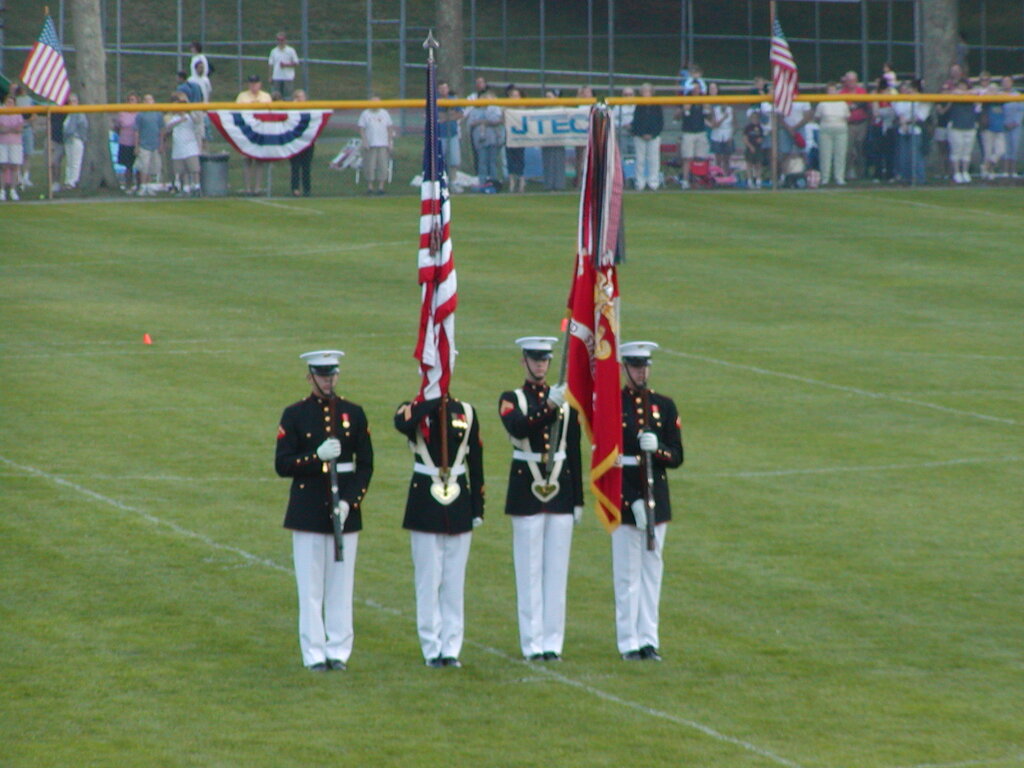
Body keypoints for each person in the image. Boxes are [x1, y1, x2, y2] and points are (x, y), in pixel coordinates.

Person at [275, 350, 374, 672]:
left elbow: (365, 465)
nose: (328, 381)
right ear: (310, 377)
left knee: (341, 588)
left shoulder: (353, 413)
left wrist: (349, 502)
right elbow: (283, 464)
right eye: (322, 375)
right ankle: (314, 653)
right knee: (311, 588)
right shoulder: (295, 414)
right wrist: (315, 457)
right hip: (308, 509)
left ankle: (339, 651)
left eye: (332, 375)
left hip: (343, 510)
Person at [498, 337, 583, 662]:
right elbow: (519, 428)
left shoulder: (564, 400)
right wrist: (549, 406)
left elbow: (573, 450)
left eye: (545, 360)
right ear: (524, 361)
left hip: (560, 490)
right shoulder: (512, 399)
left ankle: (552, 642)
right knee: (529, 570)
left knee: (557, 572)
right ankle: (532, 642)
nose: (540, 365)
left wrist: (577, 500)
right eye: (535, 359)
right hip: (526, 490)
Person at [394, 390, 484, 669]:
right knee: (428, 579)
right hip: (425, 503)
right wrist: (431, 400)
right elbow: (403, 424)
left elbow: (476, 460)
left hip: (458, 502)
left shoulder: (465, 411)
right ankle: (431, 647)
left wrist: (477, 507)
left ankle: (451, 647)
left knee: (454, 582)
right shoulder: (412, 408)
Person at [613, 341, 684, 662]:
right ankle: (628, 641)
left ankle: (648, 639)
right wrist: (630, 500)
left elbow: (676, 456)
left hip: (657, 496)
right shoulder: (613, 405)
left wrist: (658, 449)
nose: (641, 372)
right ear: (625, 368)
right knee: (628, 574)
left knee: (652, 572)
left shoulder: (664, 405)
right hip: (625, 496)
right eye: (635, 366)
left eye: (645, 366)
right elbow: (607, 460)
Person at [236, 75, 272, 195]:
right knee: (247, 159)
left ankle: (257, 188)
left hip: (260, 131)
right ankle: (247, 188)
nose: (253, 86)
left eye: (256, 83)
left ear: (260, 84)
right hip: (247, 131)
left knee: (259, 160)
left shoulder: (266, 96)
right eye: (251, 83)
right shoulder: (242, 96)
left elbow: (270, 113)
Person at [676, 65, 709, 188]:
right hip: (688, 131)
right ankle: (685, 180)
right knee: (687, 158)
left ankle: (697, 179)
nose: (696, 90)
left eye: (697, 88)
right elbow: (676, 117)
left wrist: (707, 108)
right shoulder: (686, 99)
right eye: (694, 88)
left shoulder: (703, 100)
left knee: (699, 157)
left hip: (700, 131)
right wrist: (683, 109)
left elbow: (709, 116)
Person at [892, 78, 930, 185]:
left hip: (916, 130)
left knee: (916, 155)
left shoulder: (923, 100)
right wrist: (902, 122)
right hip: (903, 129)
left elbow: (921, 116)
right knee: (904, 155)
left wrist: (908, 121)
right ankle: (906, 178)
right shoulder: (901, 99)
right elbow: (899, 112)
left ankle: (919, 178)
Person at [164, 91, 202, 196]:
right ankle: (185, 188)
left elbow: (197, 121)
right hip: (178, 148)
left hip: (190, 147)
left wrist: (189, 110)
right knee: (182, 170)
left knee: (194, 169)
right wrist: (179, 120)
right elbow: (167, 128)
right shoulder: (174, 118)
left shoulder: (190, 116)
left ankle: (197, 186)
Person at [815, 81, 851, 186]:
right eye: (830, 90)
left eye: (834, 90)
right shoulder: (822, 103)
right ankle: (825, 178)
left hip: (841, 130)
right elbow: (817, 117)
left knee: (840, 154)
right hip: (826, 130)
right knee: (825, 154)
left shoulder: (842, 103)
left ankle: (839, 177)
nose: (832, 92)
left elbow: (847, 117)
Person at [357, 95, 394, 195]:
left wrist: (389, 142)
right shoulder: (365, 114)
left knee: (383, 165)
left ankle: (381, 187)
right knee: (370, 166)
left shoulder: (384, 113)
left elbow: (390, 128)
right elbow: (361, 129)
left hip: (383, 144)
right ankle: (370, 187)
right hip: (370, 144)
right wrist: (365, 141)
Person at [944, 79, 979, 184]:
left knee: (967, 151)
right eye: (960, 85)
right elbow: (954, 93)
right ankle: (956, 172)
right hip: (956, 126)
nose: (962, 87)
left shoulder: (972, 94)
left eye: (964, 85)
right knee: (956, 150)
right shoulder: (954, 93)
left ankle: (965, 172)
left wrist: (968, 93)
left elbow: (977, 92)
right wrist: (964, 93)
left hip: (970, 125)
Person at [630, 82, 663, 191]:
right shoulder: (639, 105)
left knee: (653, 160)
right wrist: (642, 133)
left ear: (652, 93)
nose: (646, 93)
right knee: (640, 160)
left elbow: (660, 122)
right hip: (640, 136)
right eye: (644, 91)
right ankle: (640, 183)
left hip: (654, 136)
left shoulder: (656, 105)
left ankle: (653, 183)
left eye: (648, 91)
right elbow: (636, 121)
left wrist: (652, 134)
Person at [466, 89, 503, 184]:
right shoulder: (475, 111)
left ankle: (494, 181)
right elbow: (471, 123)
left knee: (492, 162)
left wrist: (484, 121)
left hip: (492, 139)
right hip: (480, 140)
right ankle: (482, 181)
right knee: (482, 162)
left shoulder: (493, 109)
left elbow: (496, 120)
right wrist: (481, 122)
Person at [840, 70, 869, 180]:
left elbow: (866, 105)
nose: (851, 82)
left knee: (861, 148)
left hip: (861, 123)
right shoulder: (842, 93)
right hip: (848, 124)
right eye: (849, 80)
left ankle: (862, 173)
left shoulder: (862, 91)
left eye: (853, 80)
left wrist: (855, 105)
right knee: (848, 150)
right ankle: (847, 172)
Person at [135, 94, 164, 195]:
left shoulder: (158, 114)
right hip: (144, 145)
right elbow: (137, 131)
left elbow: (161, 130)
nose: (148, 102)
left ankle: (149, 186)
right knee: (144, 167)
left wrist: (161, 144)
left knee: (153, 167)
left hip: (155, 145)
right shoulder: (140, 115)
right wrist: (136, 146)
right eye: (146, 100)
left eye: (150, 100)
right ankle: (143, 186)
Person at [288, 89, 315, 197]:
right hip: (295, 142)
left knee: (306, 166)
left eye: (302, 96)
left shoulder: (310, 110)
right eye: (298, 97)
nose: (300, 99)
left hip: (307, 141)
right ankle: (295, 188)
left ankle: (307, 189)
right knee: (295, 166)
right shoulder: (291, 111)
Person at [0, 93, 25, 201]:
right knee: (3, 166)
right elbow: (1, 129)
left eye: (11, 102)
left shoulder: (17, 113)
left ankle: (13, 190)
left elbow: (19, 128)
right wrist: (11, 129)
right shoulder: (1, 112)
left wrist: (8, 129)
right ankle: (2, 190)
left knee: (15, 166)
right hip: (3, 143)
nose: (9, 104)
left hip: (15, 143)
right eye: (8, 102)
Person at [541, 88, 567, 191]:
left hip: (559, 139)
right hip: (546, 139)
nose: (547, 99)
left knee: (558, 161)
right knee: (548, 161)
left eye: (549, 96)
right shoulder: (544, 109)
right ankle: (549, 184)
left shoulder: (562, 108)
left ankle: (559, 184)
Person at [437, 80, 463, 183]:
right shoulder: (435, 100)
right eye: (441, 88)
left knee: (454, 160)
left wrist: (446, 117)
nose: (443, 90)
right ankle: (442, 181)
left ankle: (453, 182)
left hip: (453, 134)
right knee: (440, 160)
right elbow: (436, 116)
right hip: (440, 135)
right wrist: (451, 114)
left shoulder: (453, 100)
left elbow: (460, 114)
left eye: (445, 88)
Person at [113, 92, 140, 192]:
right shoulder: (122, 114)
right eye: (129, 100)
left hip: (138, 143)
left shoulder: (140, 114)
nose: (131, 102)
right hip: (125, 142)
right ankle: (128, 186)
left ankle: (139, 186)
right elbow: (116, 127)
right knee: (128, 166)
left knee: (139, 166)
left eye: (133, 100)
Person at [706, 82, 734, 173]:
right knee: (717, 157)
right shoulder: (714, 109)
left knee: (727, 158)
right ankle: (718, 173)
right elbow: (714, 124)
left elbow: (735, 124)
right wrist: (723, 118)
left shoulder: (730, 110)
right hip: (716, 134)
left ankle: (726, 174)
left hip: (727, 134)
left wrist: (731, 135)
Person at [62, 93, 88, 190]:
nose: (72, 103)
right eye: (70, 101)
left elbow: (82, 127)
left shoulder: (79, 113)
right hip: (68, 140)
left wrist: (78, 136)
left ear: (77, 102)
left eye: (74, 101)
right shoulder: (69, 114)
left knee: (75, 162)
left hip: (76, 139)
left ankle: (73, 182)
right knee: (69, 161)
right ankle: (67, 181)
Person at [503, 86, 526, 193]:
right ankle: (512, 181)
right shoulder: (506, 108)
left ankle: (521, 181)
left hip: (520, 137)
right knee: (510, 158)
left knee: (520, 158)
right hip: (509, 136)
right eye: (513, 95)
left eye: (517, 95)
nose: (515, 97)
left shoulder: (523, 108)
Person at [13, 84, 36, 190]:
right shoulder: (15, 101)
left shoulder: (29, 100)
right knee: (18, 155)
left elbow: (34, 115)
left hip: (27, 129)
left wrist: (28, 122)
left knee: (27, 154)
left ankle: (26, 176)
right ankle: (18, 177)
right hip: (17, 130)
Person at [1001, 76, 1022, 178]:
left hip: (1015, 126)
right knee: (1005, 149)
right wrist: (1003, 123)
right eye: (1004, 82)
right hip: (1002, 125)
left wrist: (1016, 122)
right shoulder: (999, 95)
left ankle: (1013, 171)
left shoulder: (1017, 95)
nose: (1006, 83)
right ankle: (1005, 171)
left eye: (1008, 81)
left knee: (1014, 147)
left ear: (1012, 83)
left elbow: (1021, 110)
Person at [268, 32, 299, 99]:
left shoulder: (291, 50)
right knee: (276, 97)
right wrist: (270, 76)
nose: (280, 42)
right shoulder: (273, 51)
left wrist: (286, 65)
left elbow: (296, 63)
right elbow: (271, 64)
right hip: (276, 77)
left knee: (288, 97)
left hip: (288, 78)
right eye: (278, 40)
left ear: (285, 40)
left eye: (282, 40)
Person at [742, 109, 766, 189]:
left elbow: (761, 138)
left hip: (758, 148)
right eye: (753, 118)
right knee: (749, 164)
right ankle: (750, 180)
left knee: (758, 164)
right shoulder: (748, 127)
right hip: (750, 148)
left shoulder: (760, 127)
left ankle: (758, 180)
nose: (755, 119)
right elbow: (744, 138)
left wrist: (760, 140)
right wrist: (750, 146)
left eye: (756, 118)